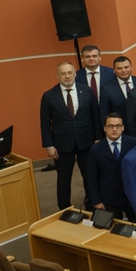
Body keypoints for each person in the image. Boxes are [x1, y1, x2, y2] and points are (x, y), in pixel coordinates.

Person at [40, 61, 100, 209]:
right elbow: (45, 123)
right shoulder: (49, 96)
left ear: (75, 74)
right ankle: (64, 208)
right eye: (63, 73)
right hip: (62, 144)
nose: (67, 76)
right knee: (63, 179)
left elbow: (95, 116)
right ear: (57, 75)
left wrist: (98, 138)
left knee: (89, 176)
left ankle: (91, 206)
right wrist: (49, 145)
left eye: (70, 73)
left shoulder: (87, 91)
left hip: (86, 141)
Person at [86, 114, 135, 218]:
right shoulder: (96, 149)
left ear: (123, 127)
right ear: (104, 128)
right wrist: (96, 201)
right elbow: (92, 177)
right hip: (108, 198)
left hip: (131, 196)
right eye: (110, 126)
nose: (114, 129)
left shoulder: (133, 143)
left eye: (118, 126)